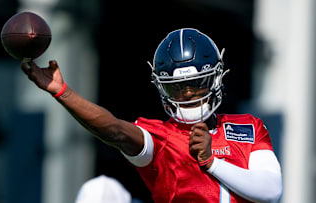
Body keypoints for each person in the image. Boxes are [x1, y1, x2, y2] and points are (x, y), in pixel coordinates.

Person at [21, 28, 282, 203]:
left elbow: (271, 191)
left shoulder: (248, 127)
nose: (189, 93)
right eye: (177, 87)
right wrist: (62, 92)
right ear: (161, 87)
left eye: (197, 83)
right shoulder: (161, 138)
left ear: (216, 77)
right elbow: (114, 129)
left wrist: (211, 161)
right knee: (99, 192)